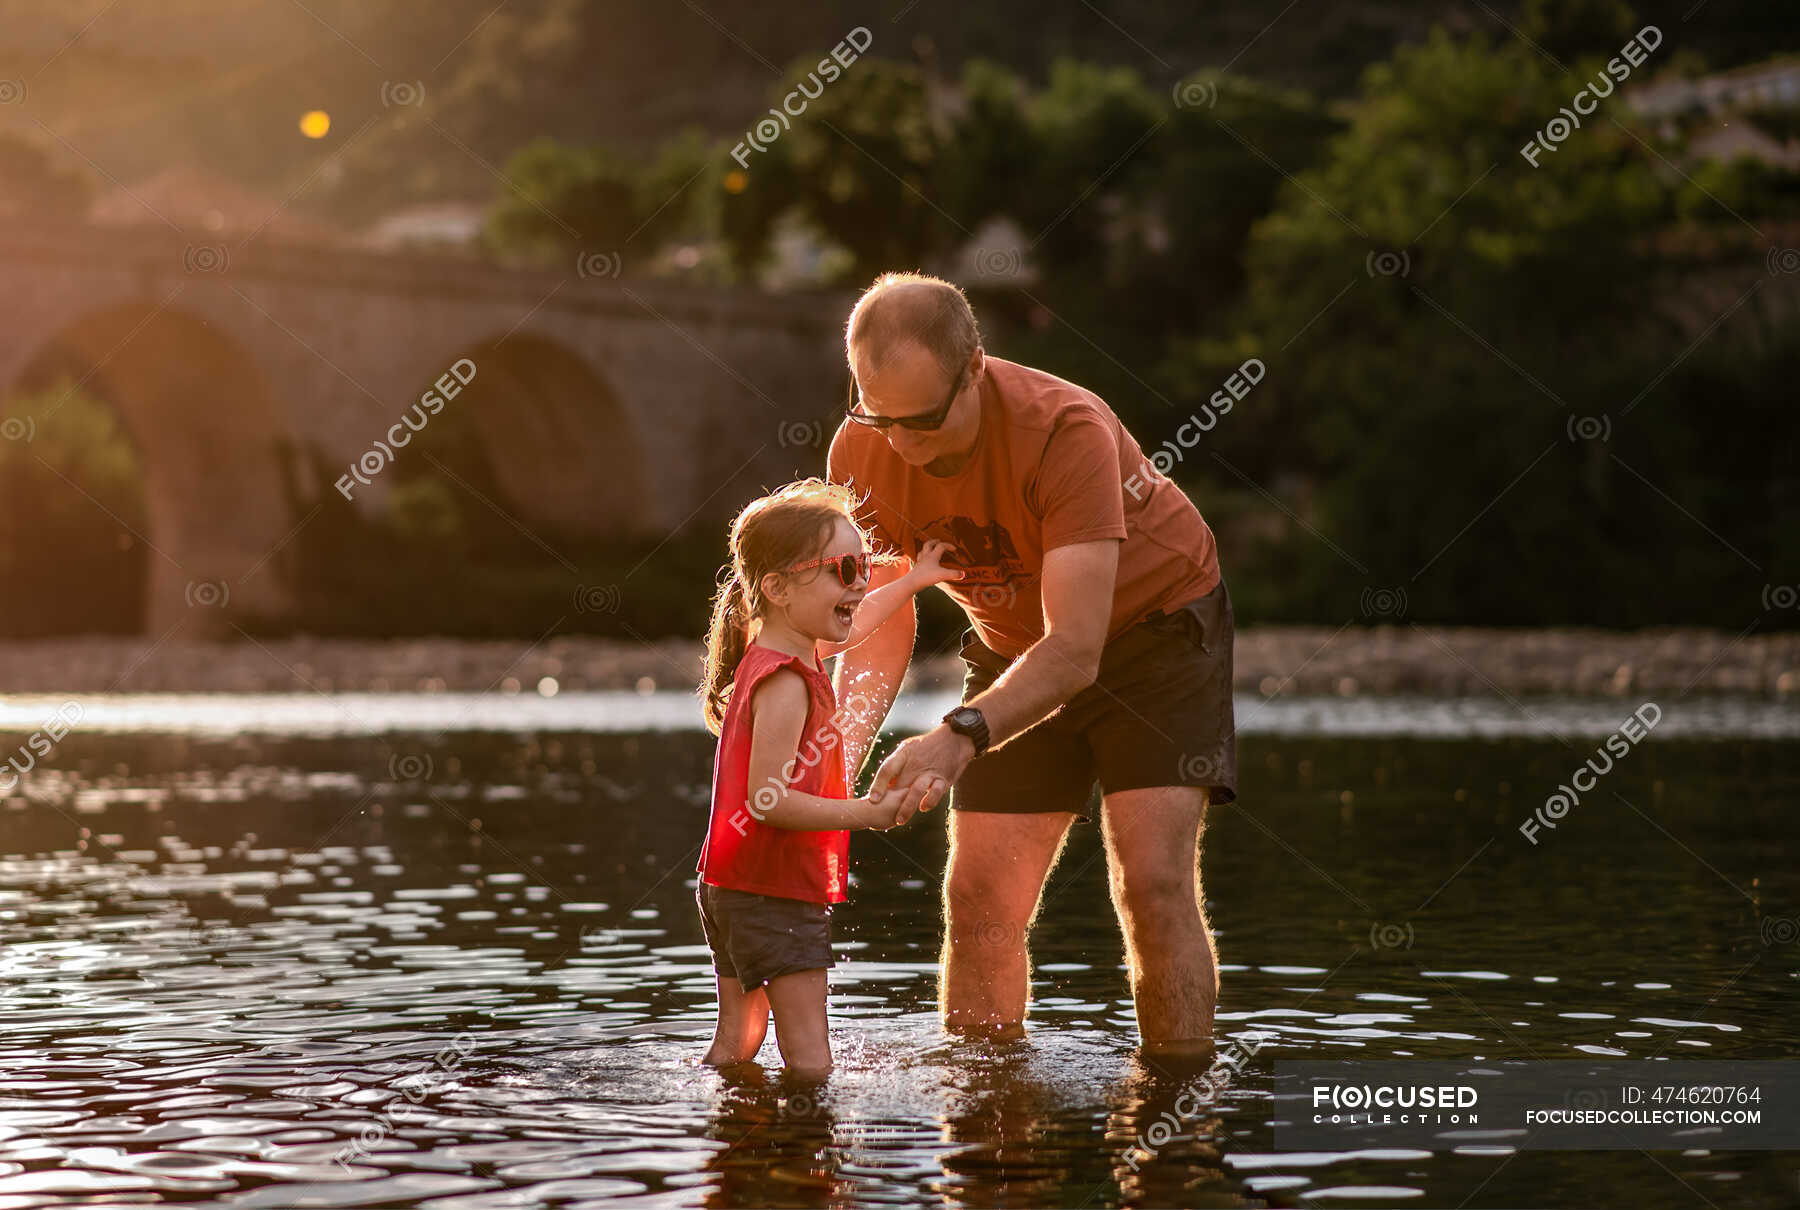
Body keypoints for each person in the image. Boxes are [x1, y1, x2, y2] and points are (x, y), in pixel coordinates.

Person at [825, 272, 1237, 1058]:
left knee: (1150, 886)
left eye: (924, 420)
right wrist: (838, 763)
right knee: (978, 897)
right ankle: (988, 1135)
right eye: (882, 418)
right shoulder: (863, 446)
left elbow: (1076, 649)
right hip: (1015, 648)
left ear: (974, 367)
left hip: (1156, 635)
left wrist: (957, 735)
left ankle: (1176, 1128)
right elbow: (880, 614)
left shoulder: (1065, 431)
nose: (902, 445)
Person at [694, 477, 961, 1075]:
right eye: (844, 568)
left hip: (731, 883)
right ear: (778, 587)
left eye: (863, 566)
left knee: (737, 1043)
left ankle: (729, 1145)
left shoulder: (772, 652)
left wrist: (913, 579)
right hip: (776, 890)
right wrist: (863, 813)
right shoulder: (788, 682)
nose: (860, 581)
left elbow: (857, 622)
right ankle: (807, 1162)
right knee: (810, 1058)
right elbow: (767, 800)